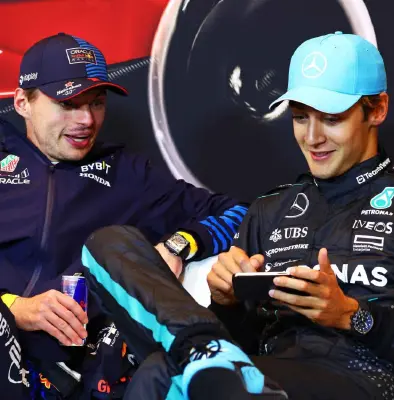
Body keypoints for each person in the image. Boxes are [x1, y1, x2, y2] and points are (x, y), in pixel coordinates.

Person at [80, 32, 394, 399]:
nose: (312, 137)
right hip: (258, 375)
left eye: (331, 119)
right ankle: (200, 346)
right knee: (107, 243)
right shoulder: (269, 209)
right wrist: (225, 302)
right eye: (299, 118)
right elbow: (243, 339)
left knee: (162, 374)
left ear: (377, 110)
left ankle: (198, 348)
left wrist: (350, 315)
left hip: (364, 378)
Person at [0, 33, 248, 398]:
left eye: (97, 103)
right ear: (23, 102)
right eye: (68, 104)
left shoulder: (127, 175)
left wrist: (179, 245)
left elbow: (240, 214)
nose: (87, 119)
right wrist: (15, 308)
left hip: (70, 376)